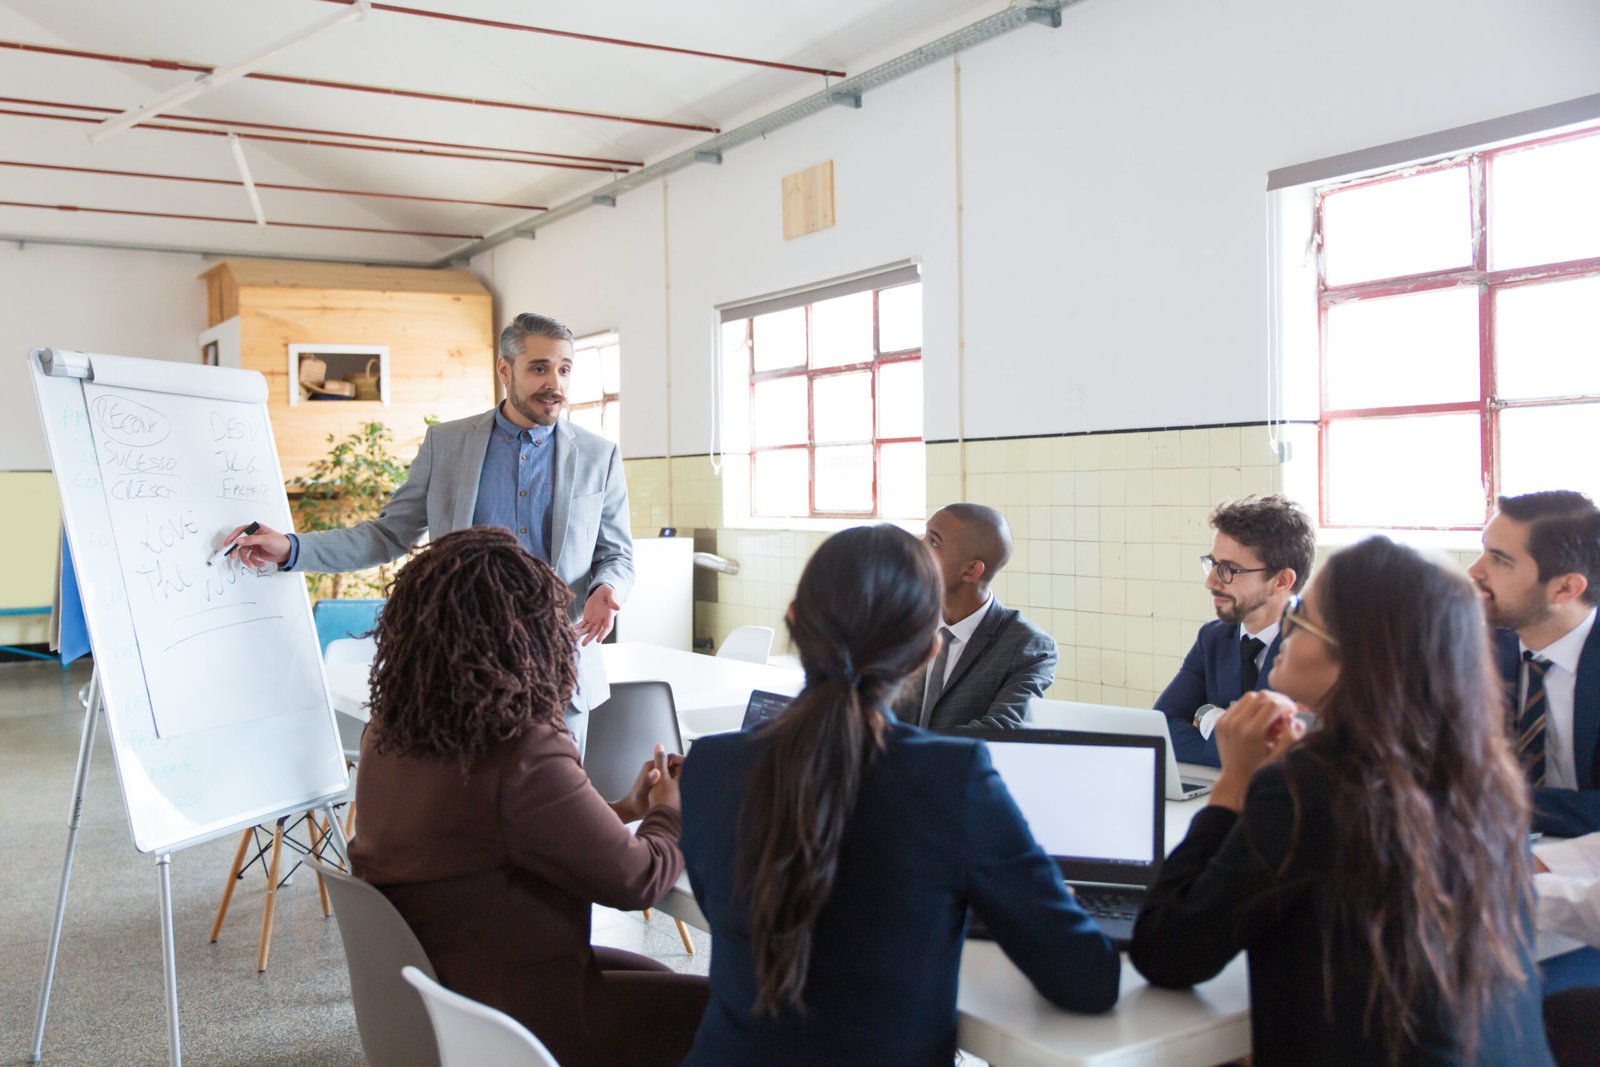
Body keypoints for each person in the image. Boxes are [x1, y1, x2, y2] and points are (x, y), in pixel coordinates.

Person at [678, 525, 1120, 1066]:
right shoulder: (951, 777)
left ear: (793, 619)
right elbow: (1087, 980)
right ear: (928, 651)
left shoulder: (709, 766)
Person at [1130, 536, 1552, 1066]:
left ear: (1356, 653)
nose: (1286, 625)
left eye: (1304, 614)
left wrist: (1233, 785)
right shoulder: (1483, 774)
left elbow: (1167, 950)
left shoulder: (1309, 785)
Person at [347, 527, 706, 1067]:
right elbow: (638, 880)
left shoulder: (389, 733)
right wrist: (669, 812)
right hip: (517, 1022)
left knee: (655, 975)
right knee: (729, 1011)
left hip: (451, 991)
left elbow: (506, 834)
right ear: (521, 634)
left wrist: (627, 810)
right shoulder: (518, 749)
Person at [1468, 491, 1600, 838]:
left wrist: (1496, 801)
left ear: (1566, 588)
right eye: (1483, 550)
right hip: (1492, 854)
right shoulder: (1474, 645)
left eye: (1499, 560)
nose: (1474, 571)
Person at [1155, 494, 1314, 766]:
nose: (1211, 581)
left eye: (1229, 569)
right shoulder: (1213, 637)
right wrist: (1237, 747)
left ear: (1282, 581)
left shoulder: (1319, 646)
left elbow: (1290, 759)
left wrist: (1207, 721)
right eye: (1212, 563)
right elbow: (1161, 727)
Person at [892, 503, 1056, 730]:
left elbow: (1000, 730)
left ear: (970, 570)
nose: (918, 548)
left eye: (934, 542)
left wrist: (913, 750)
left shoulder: (1028, 646)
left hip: (960, 765)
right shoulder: (902, 620)